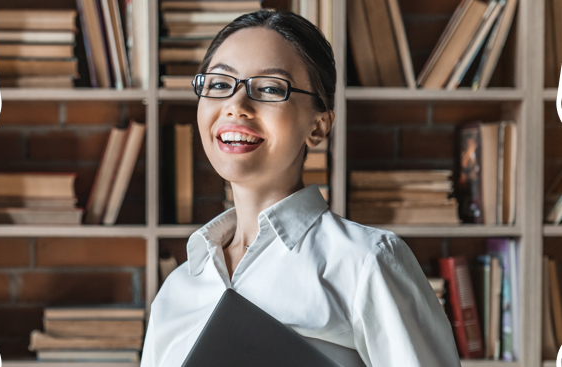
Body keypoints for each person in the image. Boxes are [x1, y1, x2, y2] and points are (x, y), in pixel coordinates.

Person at [140, 10, 461, 367]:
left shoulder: (366, 263)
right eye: (218, 84)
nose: (236, 106)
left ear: (318, 126)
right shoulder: (176, 291)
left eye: (270, 89)